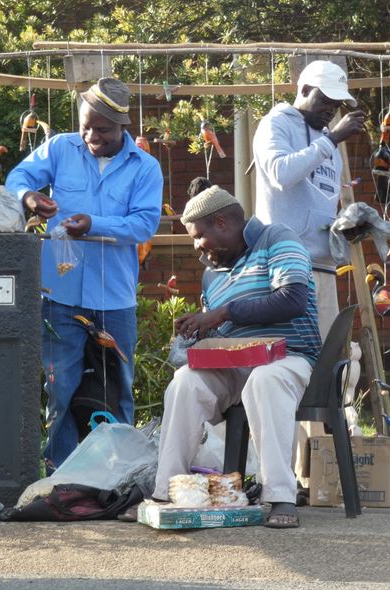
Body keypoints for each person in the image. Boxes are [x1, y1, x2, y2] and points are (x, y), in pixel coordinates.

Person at [5, 77, 163, 471]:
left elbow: (143, 225)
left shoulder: (145, 167)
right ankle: (61, 473)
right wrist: (30, 198)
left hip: (115, 298)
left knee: (117, 387)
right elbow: (16, 179)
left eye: (103, 129)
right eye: (85, 126)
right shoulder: (61, 148)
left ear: (122, 126)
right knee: (60, 388)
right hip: (59, 295)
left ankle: (117, 473)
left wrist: (93, 224)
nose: (92, 135)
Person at [151, 186, 321, 529]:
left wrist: (223, 313)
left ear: (222, 223)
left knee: (265, 379)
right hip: (232, 365)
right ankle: (165, 493)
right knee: (184, 382)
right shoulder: (211, 272)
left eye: (200, 236)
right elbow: (220, 328)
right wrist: (199, 331)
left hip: (287, 358)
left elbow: (292, 299)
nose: (197, 247)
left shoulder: (276, 238)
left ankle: (280, 497)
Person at [253, 59, 365, 339]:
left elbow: (323, 202)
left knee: (326, 360)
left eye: (336, 105)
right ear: (303, 89)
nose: (331, 110)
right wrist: (333, 139)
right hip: (284, 268)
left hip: (324, 268)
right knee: (288, 357)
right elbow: (281, 173)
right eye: (325, 100)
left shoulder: (329, 143)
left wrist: (344, 228)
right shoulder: (276, 124)